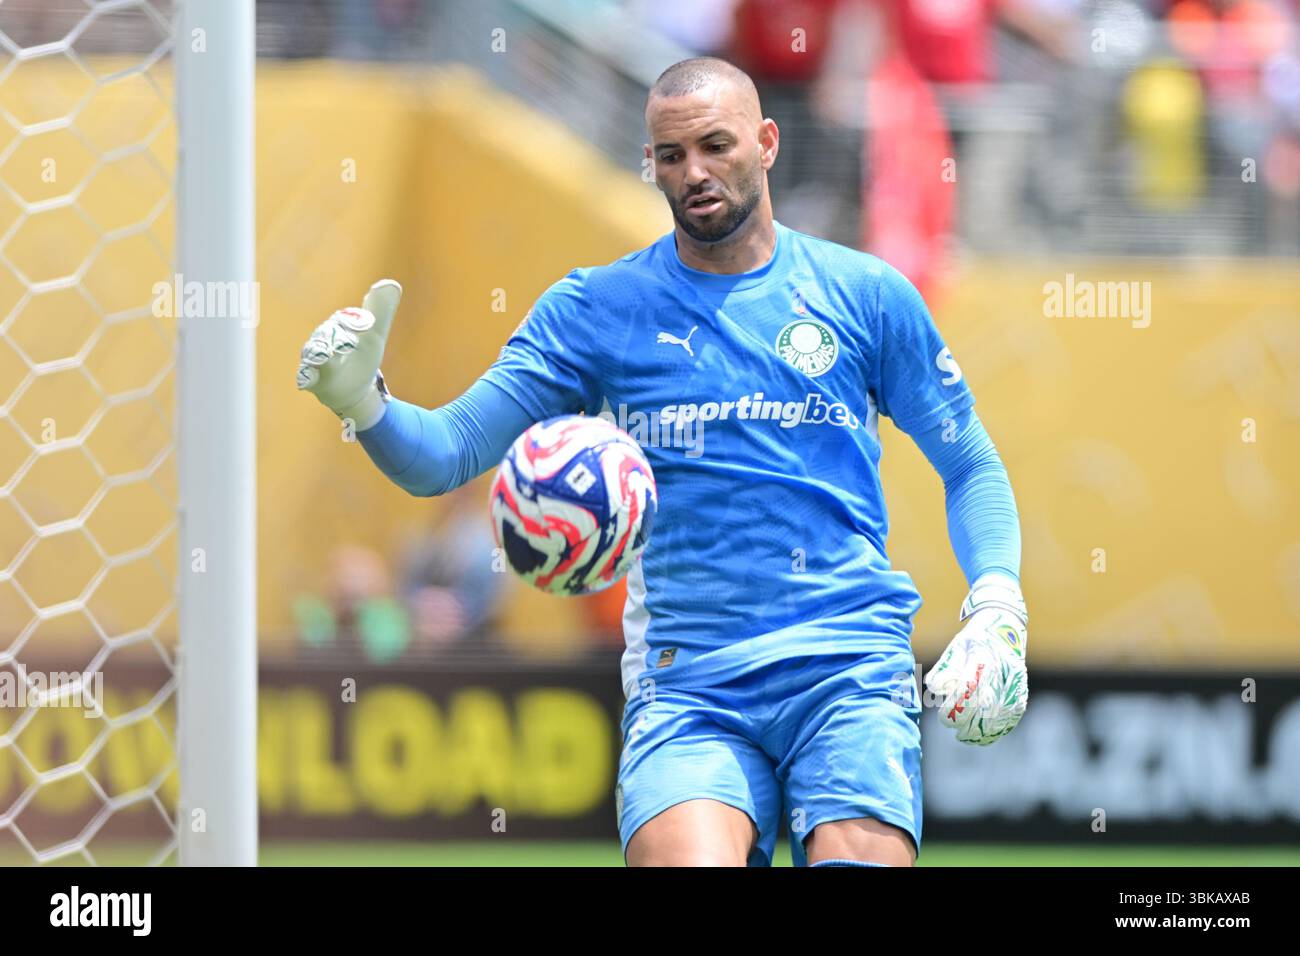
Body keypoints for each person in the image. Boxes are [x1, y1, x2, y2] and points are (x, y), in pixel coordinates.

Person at [296, 56, 1027, 867]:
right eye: (670, 157)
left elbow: (971, 466)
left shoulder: (867, 295)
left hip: (848, 664)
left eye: (716, 146)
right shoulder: (596, 311)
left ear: (768, 141)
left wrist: (997, 605)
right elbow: (447, 454)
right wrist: (364, 403)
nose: (694, 173)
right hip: (691, 684)